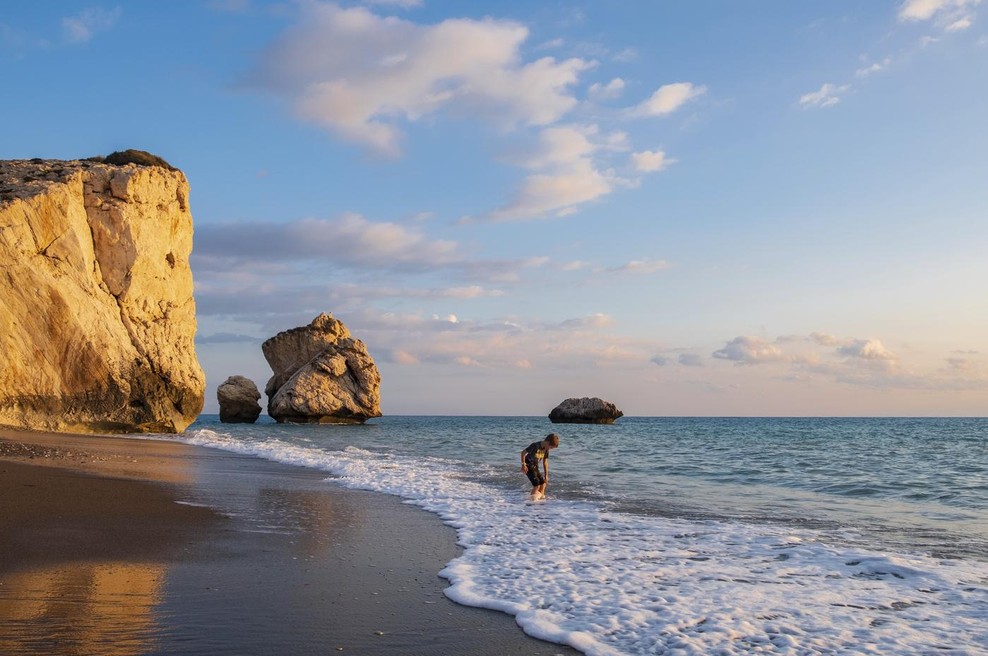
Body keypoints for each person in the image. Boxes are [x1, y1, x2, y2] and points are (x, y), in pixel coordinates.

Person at [521, 433, 560, 500]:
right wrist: (523, 465)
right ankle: (532, 502)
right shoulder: (535, 446)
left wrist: (546, 475)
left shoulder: (546, 449)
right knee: (537, 485)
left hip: (535, 466)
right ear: (547, 442)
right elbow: (523, 453)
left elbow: (545, 462)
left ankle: (541, 501)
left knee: (543, 484)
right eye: (551, 447)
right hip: (528, 465)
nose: (550, 449)